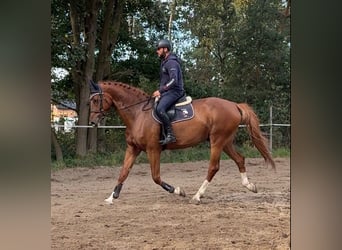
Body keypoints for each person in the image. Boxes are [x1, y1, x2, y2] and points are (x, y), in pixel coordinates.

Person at [152, 39, 185, 145]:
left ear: (165, 49)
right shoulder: (164, 62)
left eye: (159, 49)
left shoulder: (171, 62)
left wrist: (160, 90)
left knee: (160, 109)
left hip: (175, 91)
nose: (157, 51)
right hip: (168, 92)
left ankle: (171, 135)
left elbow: (174, 80)